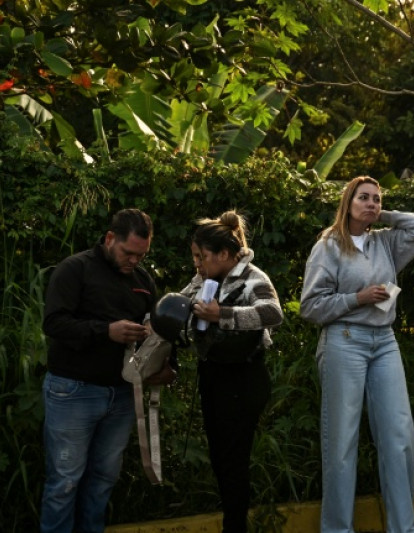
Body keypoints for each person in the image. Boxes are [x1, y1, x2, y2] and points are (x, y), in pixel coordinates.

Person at [300, 176, 414, 533]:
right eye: (363, 198)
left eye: (377, 199)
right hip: (344, 340)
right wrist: (357, 299)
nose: (372, 203)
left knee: (399, 436)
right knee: (341, 442)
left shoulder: (385, 242)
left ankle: (404, 529)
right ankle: (337, 529)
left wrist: (381, 215)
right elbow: (310, 307)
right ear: (347, 202)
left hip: (385, 342)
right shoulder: (329, 246)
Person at [40, 208, 165, 533]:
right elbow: (54, 323)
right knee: (64, 481)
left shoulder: (143, 281)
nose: (134, 261)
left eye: (142, 255)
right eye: (128, 253)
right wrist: (105, 331)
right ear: (110, 239)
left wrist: (163, 360)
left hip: (123, 395)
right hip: (73, 390)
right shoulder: (75, 268)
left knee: (103, 480)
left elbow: (160, 331)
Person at [179, 211, 283, 532]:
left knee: (234, 462)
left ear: (224, 254)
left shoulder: (253, 277)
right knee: (221, 461)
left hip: (244, 379)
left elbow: (272, 313)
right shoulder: (205, 280)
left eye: (202, 256)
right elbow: (180, 309)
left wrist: (221, 314)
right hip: (214, 377)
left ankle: (234, 527)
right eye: (195, 257)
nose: (197, 263)